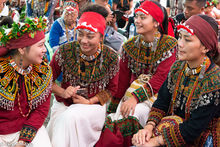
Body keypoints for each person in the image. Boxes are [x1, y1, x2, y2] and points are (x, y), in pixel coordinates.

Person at [97, 1, 177, 146]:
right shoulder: (129, 46)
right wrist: (113, 108)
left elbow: (161, 78)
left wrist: (135, 98)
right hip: (131, 96)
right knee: (116, 118)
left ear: (156, 23)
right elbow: (122, 79)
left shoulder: (169, 45)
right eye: (137, 16)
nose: (137, 21)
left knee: (132, 113)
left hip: (158, 100)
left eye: (143, 17)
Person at [132, 14, 220, 147]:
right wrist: (148, 128)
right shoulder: (177, 67)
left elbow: (195, 127)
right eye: (179, 37)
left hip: (202, 138)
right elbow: (162, 102)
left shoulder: (214, 79)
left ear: (205, 48)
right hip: (173, 127)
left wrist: (156, 141)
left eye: (188, 40)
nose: (180, 43)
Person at [46, 4, 120, 147]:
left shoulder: (111, 57)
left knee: (69, 118)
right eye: (80, 34)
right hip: (63, 104)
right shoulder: (65, 51)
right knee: (62, 121)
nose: (84, 41)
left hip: (93, 107)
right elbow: (47, 79)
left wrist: (89, 101)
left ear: (101, 37)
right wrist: (63, 91)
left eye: (90, 36)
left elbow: (112, 90)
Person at [0, 17, 52, 147]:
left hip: (27, 128)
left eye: (44, 44)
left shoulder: (43, 70)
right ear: (22, 49)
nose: (45, 49)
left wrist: (23, 140)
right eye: (40, 45)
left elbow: (41, 110)